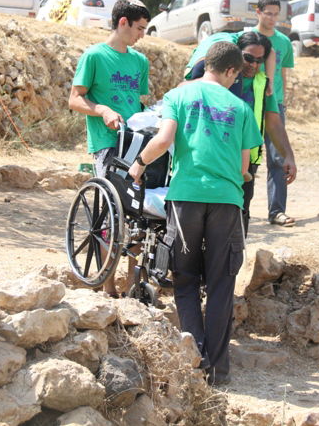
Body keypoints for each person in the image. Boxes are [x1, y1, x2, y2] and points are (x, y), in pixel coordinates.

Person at [128, 41, 262, 385]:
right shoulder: (241, 107)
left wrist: (139, 165)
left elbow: (163, 140)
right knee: (220, 283)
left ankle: (194, 358)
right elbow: (245, 166)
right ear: (231, 71)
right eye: (236, 76)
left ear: (206, 65)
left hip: (186, 197)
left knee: (185, 279)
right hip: (227, 202)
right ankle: (218, 368)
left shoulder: (179, 95)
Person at [68, 0, 151, 296]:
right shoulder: (94, 56)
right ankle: (107, 286)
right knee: (112, 213)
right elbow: (75, 99)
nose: (142, 34)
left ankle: (132, 285)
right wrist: (102, 109)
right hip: (107, 143)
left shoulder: (140, 62)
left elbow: (139, 103)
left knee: (141, 212)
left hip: (137, 142)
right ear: (123, 23)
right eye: (139, 28)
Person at [185, 31, 297, 234]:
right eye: (248, 58)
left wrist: (288, 155)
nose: (253, 65)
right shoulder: (219, 77)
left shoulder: (262, 84)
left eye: (259, 60)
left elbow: (273, 122)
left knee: (237, 223)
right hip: (213, 159)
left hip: (246, 166)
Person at [249, 0, 296, 227]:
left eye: (276, 14)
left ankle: (277, 211)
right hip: (250, 104)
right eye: (268, 13)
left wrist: (281, 103)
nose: (272, 18)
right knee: (246, 156)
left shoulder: (284, 43)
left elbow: (282, 75)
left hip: (274, 106)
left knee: (277, 157)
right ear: (257, 12)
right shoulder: (246, 38)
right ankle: (240, 210)